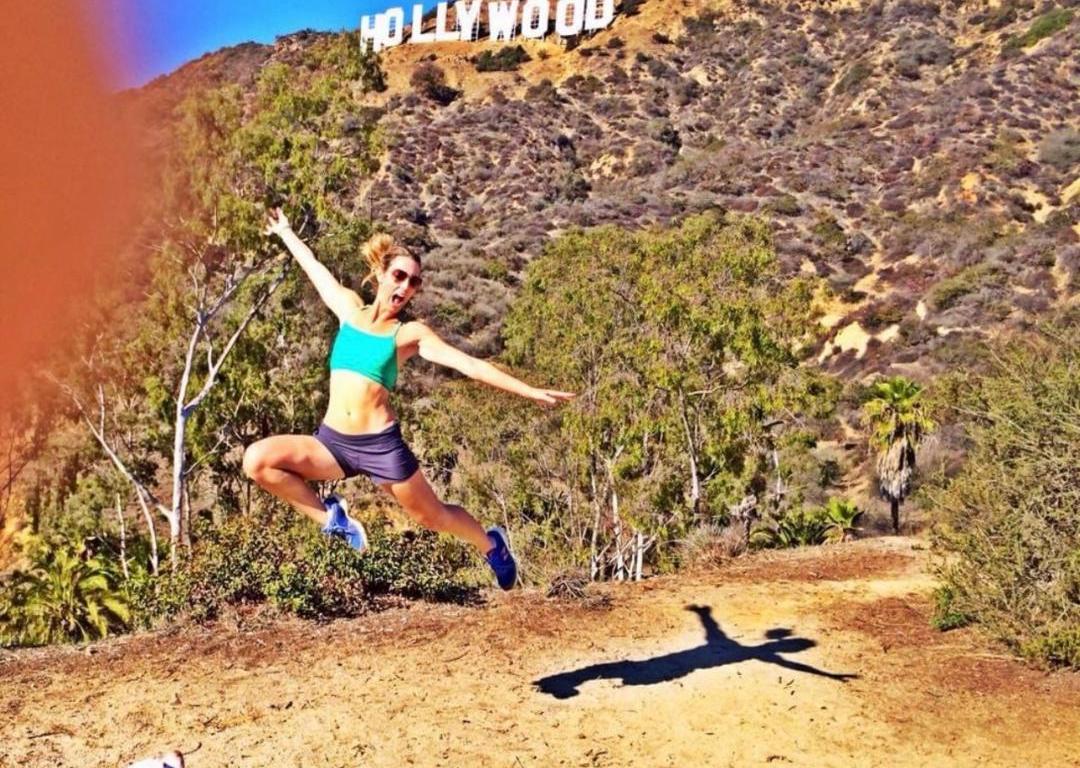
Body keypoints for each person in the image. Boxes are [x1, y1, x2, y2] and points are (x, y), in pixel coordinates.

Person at [242, 208, 576, 589]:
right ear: (380, 274)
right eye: (399, 276)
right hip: (333, 444)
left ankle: (492, 546)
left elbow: (469, 364)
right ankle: (335, 522)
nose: (405, 287)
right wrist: (286, 231)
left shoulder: (408, 334)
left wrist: (528, 390)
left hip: (380, 447)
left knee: (432, 517)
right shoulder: (348, 309)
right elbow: (314, 269)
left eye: (414, 282)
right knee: (257, 461)